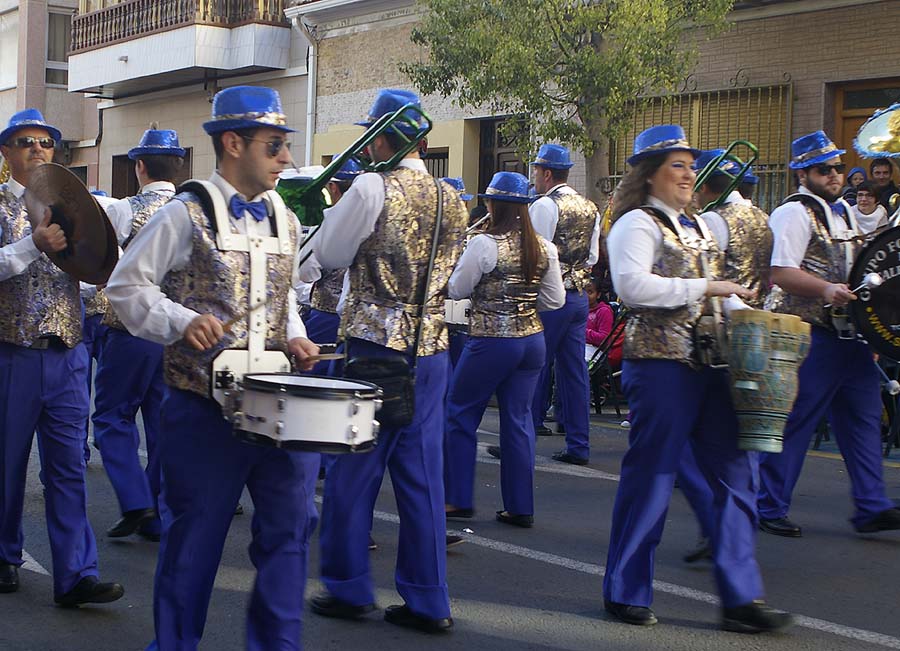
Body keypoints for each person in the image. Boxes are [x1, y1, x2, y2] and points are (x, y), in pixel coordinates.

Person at [105, 86, 321, 651]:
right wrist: (180, 321)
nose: (286, 158)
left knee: (289, 533)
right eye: (274, 145)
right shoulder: (183, 213)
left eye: (284, 145)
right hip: (203, 409)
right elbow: (126, 288)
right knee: (194, 540)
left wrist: (296, 335)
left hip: (277, 403)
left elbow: (282, 295)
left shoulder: (284, 217)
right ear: (233, 143)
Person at [603, 124, 791, 632]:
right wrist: (706, 286)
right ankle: (625, 590)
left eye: (690, 166)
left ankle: (741, 598)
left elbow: (721, 295)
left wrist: (758, 323)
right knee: (653, 476)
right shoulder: (636, 223)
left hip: (712, 364)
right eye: (678, 166)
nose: (689, 175)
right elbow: (632, 287)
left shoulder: (701, 226)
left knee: (736, 474)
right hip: (659, 364)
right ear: (650, 174)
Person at [309, 89, 467, 634]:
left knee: (353, 469)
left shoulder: (371, 185)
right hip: (433, 347)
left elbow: (329, 255)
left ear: (381, 137)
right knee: (422, 477)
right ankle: (429, 600)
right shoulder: (451, 196)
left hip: (374, 345)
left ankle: (348, 586)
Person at [0, 108, 124, 605]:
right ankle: (4, 555)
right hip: (13, 352)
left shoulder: (74, 207)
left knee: (69, 467)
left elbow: (93, 275)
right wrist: (34, 244)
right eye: (25, 141)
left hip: (68, 354)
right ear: (6, 152)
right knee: (6, 465)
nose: (37, 149)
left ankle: (76, 575)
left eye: (45, 142)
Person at [758, 131, 900, 538]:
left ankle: (871, 505)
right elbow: (780, 272)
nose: (835, 174)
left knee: (863, 418)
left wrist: (874, 332)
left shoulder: (845, 213)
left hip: (849, 335)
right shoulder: (793, 212)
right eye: (823, 169)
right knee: (797, 420)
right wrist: (825, 289)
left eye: (837, 167)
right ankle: (767, 504)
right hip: (808, 333)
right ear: (803, 174)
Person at [443, 171, 564, 528]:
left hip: (492, 339)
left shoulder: (484, 243)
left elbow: (456, 289)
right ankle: (520, 506)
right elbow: (554, 300)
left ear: (493, 204)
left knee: (461, 412)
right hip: (532, 340)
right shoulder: (544, 247)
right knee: (519, 420)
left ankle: (457, 498)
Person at [677, 148, 774, 563]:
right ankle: (739, 528)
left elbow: (702, 278)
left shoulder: (713, 221)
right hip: (756, 329)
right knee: (742, 438)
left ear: (707, 186)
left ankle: (717, 526)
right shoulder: (765, 218)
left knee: (692, 437)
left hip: (717, 333)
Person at [92, 127, 184, 542]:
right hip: (175, 331)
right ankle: (156, 515)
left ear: (140, 166)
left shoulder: (124, 210)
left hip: (130, 328)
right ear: (178, 166)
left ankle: (135, 499)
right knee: (163, 425)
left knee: (111, 416)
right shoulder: (193, 212)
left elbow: (99, 264)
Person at [529, 143, 600, 466]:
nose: (534, 178)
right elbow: (593, 257)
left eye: (536, 171)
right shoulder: (590, 207)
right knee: (574, 372)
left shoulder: (545, 205)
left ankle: (522, 437)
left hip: (550, 297)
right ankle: (578, 444)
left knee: (533, 367)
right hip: (579, 296)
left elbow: (536, 255)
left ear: (546, 173)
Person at [298, 158, 362, 375]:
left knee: (311, 379)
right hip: (364, 322)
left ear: (333, 187)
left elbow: (306, 273)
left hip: (326, 316)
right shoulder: (372, 221)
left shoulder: (325, 223)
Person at [585, 277, 622, 371]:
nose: (586, 295)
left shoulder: (604, 311)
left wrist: (581, 332)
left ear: (598, 295)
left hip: (595, 351)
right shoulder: (578, 309)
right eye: (583, 291)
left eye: (590, 292)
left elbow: (604, 339)